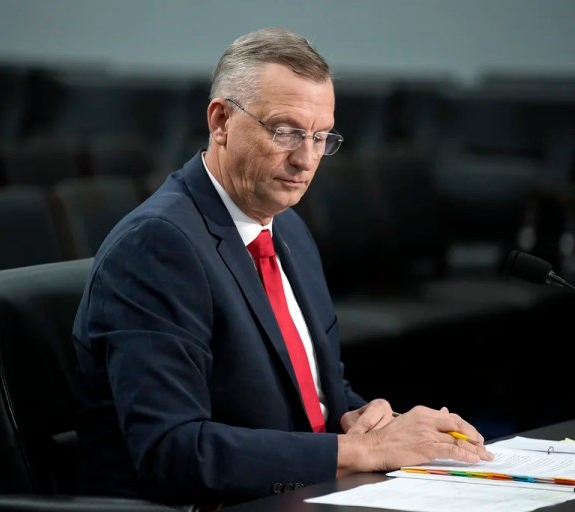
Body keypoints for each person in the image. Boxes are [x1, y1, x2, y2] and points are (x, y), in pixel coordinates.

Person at [71, 27, 493, 509]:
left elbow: (312, 395)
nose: (306, 159)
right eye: (286, 132)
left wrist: (365, 417)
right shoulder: (157, 246)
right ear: (221, 121)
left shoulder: (288, 230)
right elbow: (174, 452)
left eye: (320, 137)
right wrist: (358, 451)